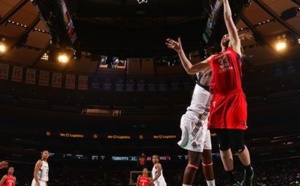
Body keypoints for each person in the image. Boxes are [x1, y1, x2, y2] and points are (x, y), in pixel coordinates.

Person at [165, 0, 254, 185]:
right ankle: (230, 179)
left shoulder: (234, 52)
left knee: (224, 151)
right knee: (213, 152)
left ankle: (245, 172)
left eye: (228, 37)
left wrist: (225, 1)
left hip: (227, 103)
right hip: (208, 109)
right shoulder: (213, 60)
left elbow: (228, 17)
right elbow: (191, 69)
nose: (225, 37)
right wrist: (180, 51)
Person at [176, 68, 216, 186]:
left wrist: (180, 51)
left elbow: (190, 67)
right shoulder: (207, 76)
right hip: (195, 121)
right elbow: (190, 68)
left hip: (204, 122)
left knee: (208, 161)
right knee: (193, 163)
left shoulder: (202, 73)